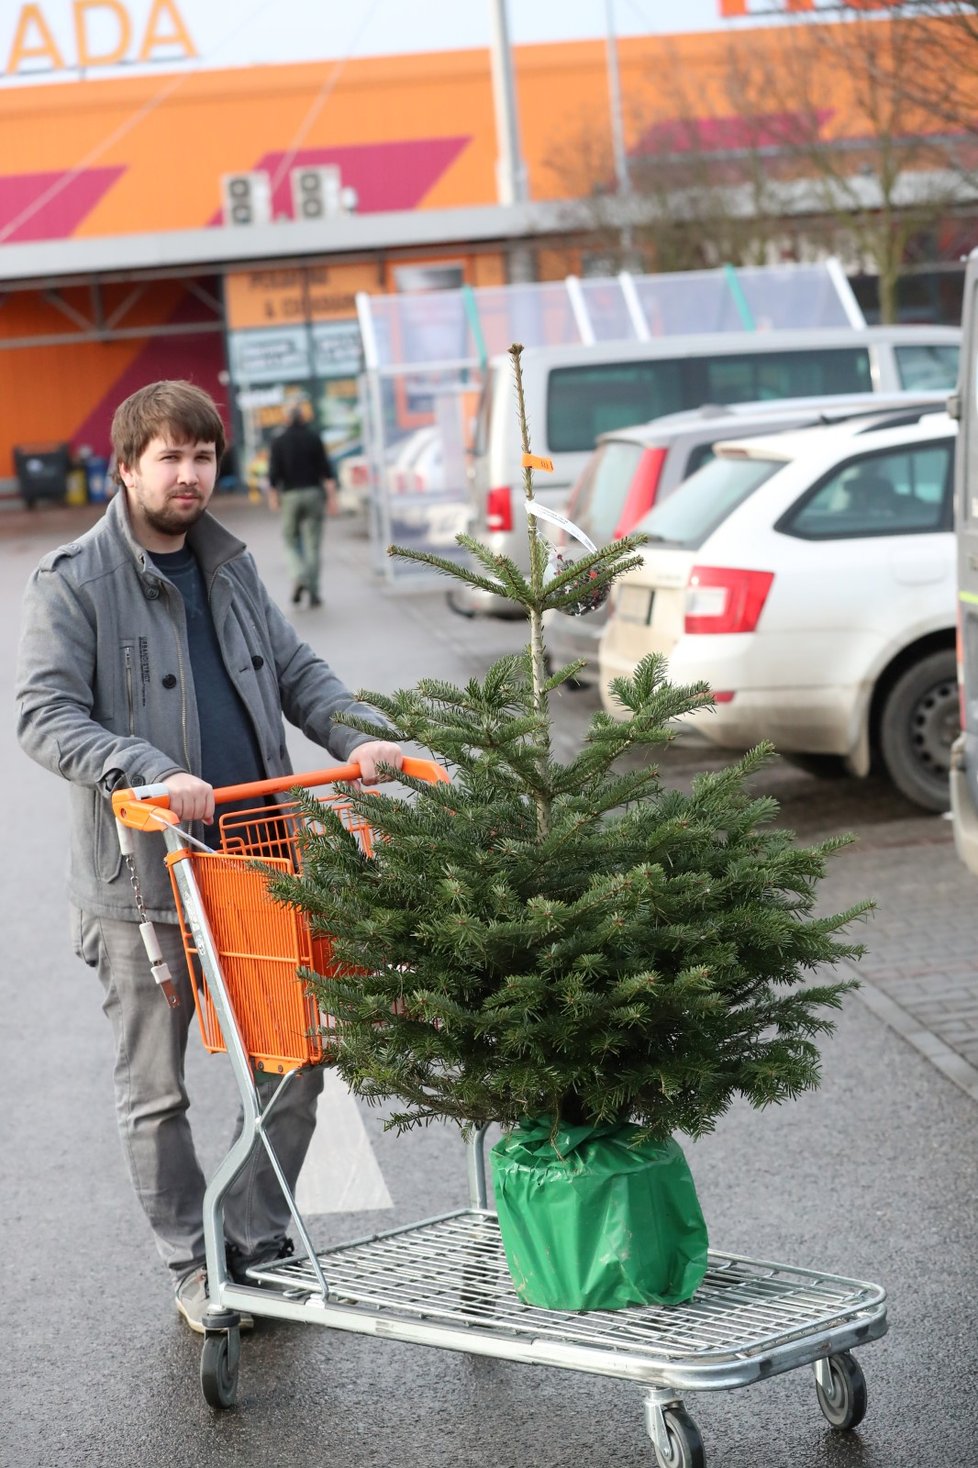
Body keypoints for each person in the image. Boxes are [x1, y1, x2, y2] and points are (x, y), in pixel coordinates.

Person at [15, 380, 402, 1334]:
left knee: (295, 1062)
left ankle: (250, 1242)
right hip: (141, 886)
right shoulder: (73, 581)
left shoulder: (229, 567)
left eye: (202, 457)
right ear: (129, 465)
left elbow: (297, 670)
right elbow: (41, 714)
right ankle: (194, 1267)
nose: (188, 476)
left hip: (255, 862)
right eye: (169, 458)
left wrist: (358, 735)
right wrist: (143, 770)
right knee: (158, 1091)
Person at [266, 394, 338, 608]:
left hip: (290, 496)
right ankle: (314, 593)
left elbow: (272, 475)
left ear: (286, 419)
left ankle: (298, 576)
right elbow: (327, 471)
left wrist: (273, 498)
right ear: (303, 417)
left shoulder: (278, 441)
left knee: (290, 539)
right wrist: (332, 499)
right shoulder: (314, 437)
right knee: (313, 544)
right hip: (314, 494)